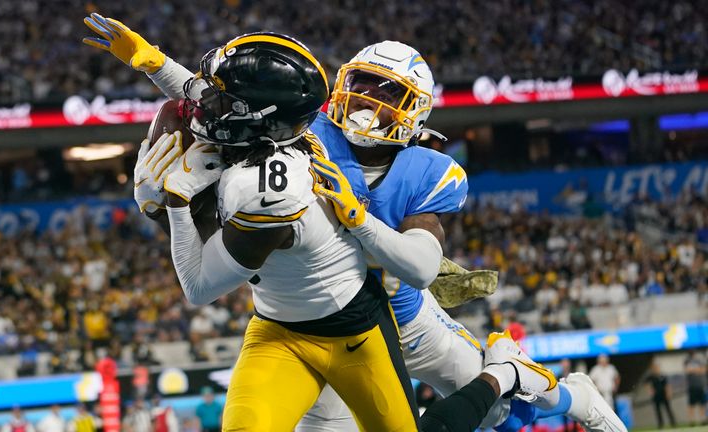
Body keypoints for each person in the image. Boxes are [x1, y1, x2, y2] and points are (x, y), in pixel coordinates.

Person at [84, 14, 624, 432]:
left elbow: (419, 267)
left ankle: (574, 396)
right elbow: (222, 98)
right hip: (322, 319)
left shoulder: (426, 170)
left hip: (407, 319)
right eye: (365, 83)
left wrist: (358, 217)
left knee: (497, 415)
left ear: (416, 111)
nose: (370, 101)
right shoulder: (307, 130)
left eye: (389, 93)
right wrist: (151, 61)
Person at [646, 362, 676, 429]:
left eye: (657, 368)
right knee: (658, 411)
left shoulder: (662, 376)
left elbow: (667, 385)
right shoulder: (651, 377)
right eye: (655, 368)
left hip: (664, 395)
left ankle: (673, 423)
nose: (656, 369)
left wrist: (669, 393)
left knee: (668, 410)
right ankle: (660, 424)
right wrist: (650, 390)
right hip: (656, 396)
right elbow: (646, 384)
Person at [684, 350, 707, 425]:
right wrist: (697, 370)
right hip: (692, 387)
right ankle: (691, 421)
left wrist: (693, 370)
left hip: (700, 386)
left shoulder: (699, 361)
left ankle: (703, 419)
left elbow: (703, 371)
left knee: (702, 404)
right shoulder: (687, 361)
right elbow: (687, 370)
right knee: (691, 404)